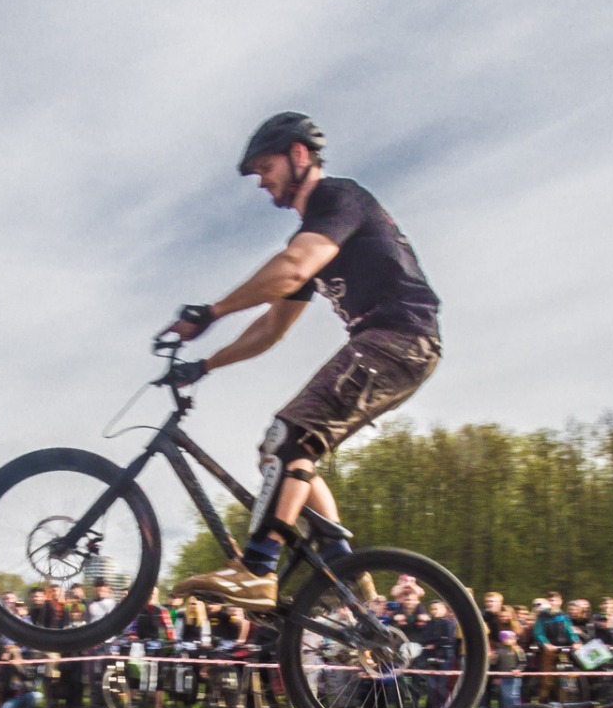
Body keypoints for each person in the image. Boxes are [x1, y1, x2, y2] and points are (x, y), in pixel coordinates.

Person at [165, 113, 440, 611]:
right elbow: (271, 329)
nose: (260, 180)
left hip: (400, 340)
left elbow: (291, 266)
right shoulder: (318, 236)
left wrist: (211, 311)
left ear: (298, 154)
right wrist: (204, 365)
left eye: (264, 166)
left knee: (288, 437)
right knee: (282, 453)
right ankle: (349, 580)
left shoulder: (340, 200)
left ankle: (256, 569)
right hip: (393, 345)